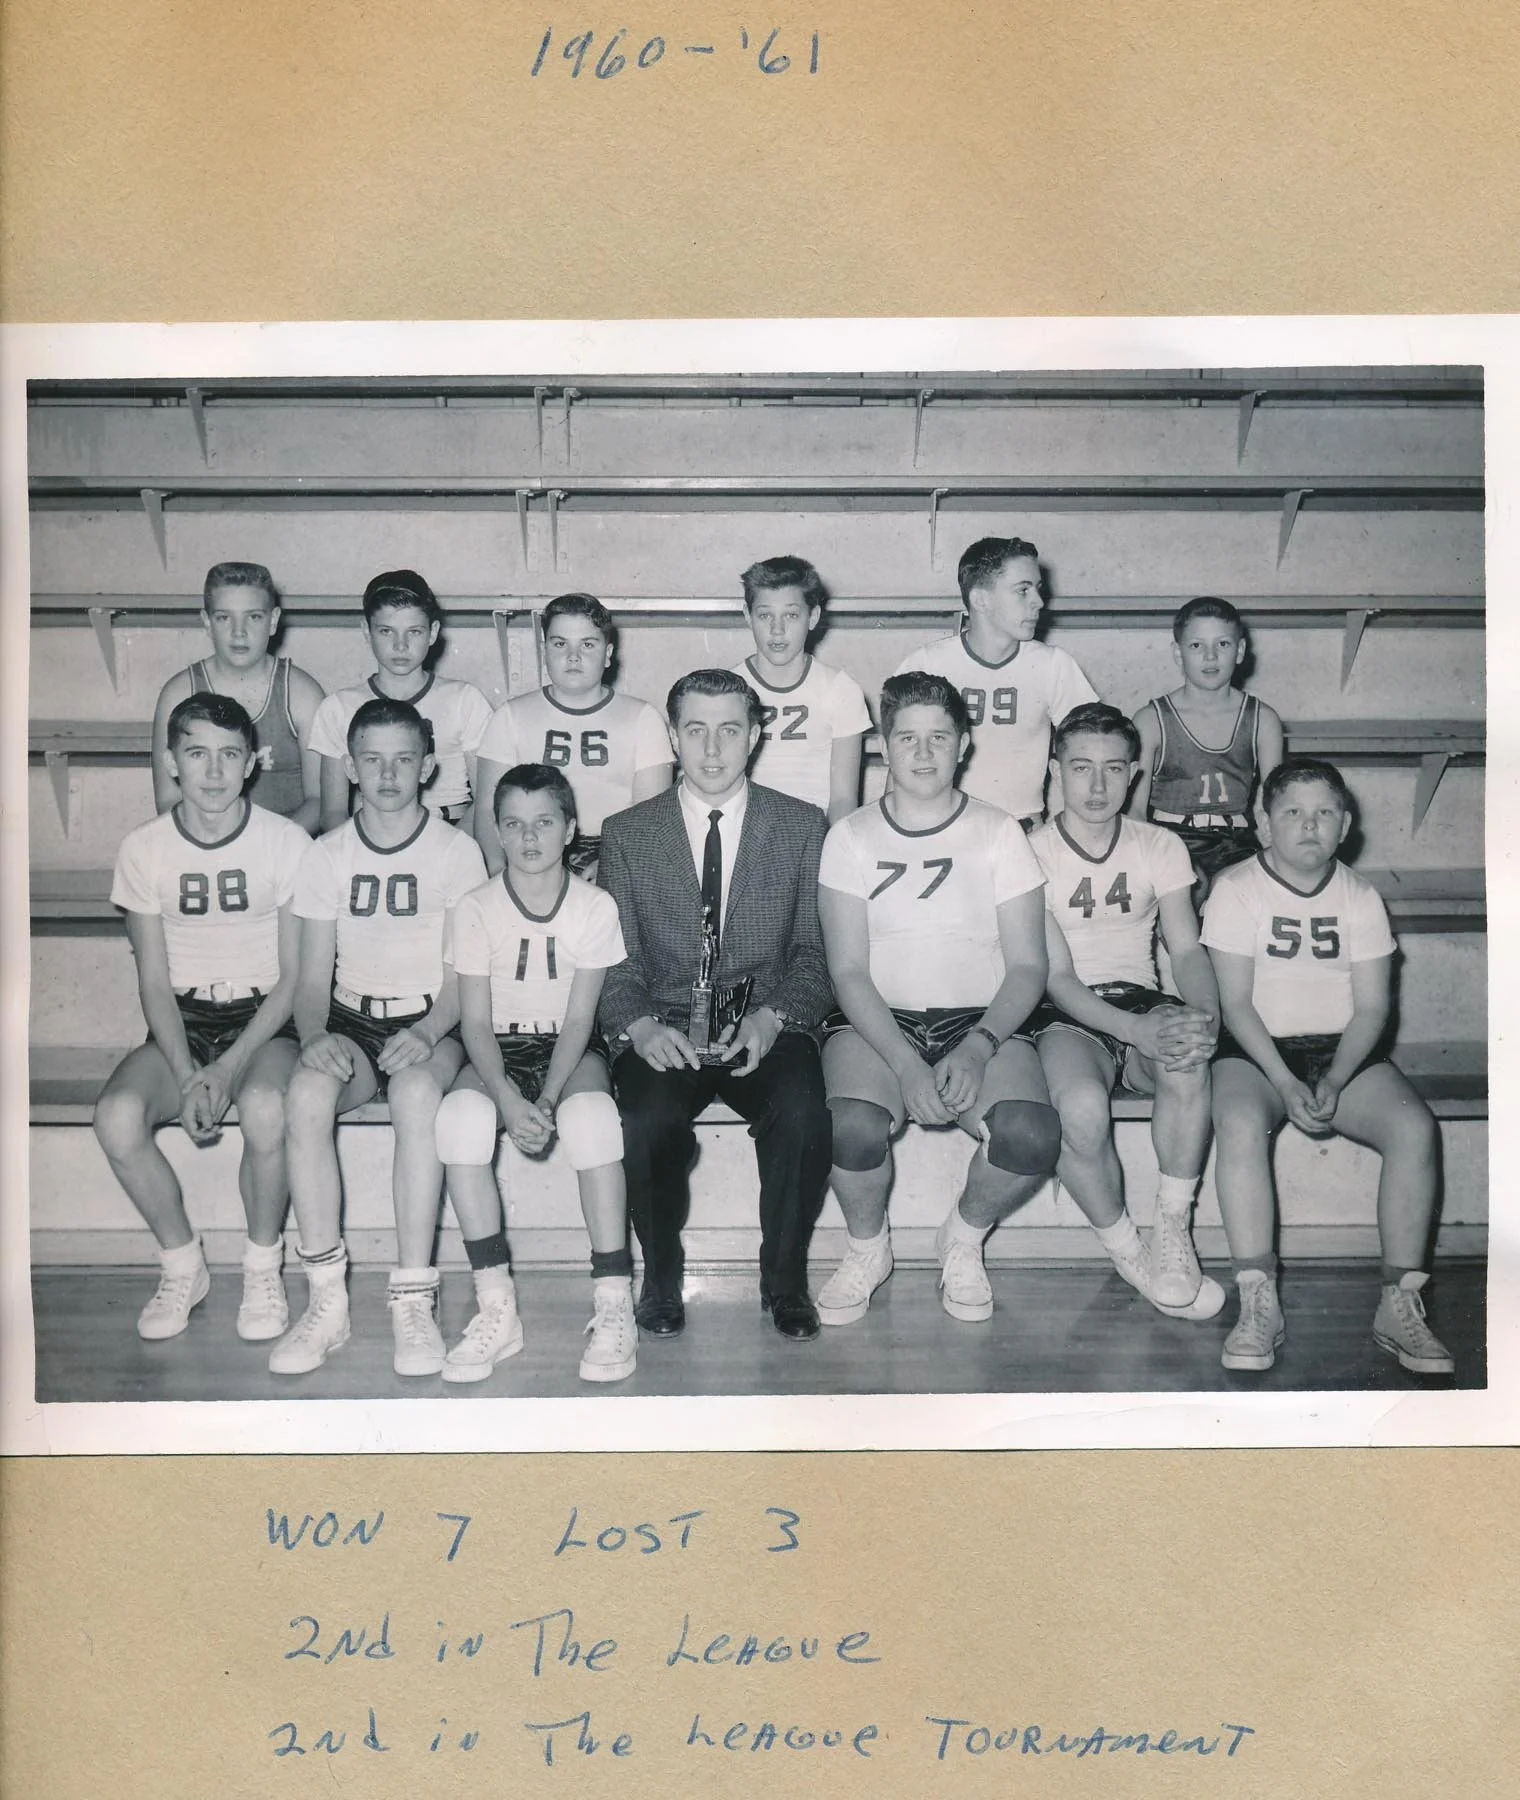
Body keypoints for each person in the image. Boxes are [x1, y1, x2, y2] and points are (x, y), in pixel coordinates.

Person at [814, 671, 1062, 1326]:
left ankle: (963, 1235)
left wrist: (980, 1049)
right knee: (850, 1129)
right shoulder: (852, 837)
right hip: (877, 1024)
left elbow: (1029, 964)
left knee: (1031, 1135)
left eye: (939, 738)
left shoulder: (998, 832)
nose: (923, 754)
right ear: (883, 749)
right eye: (907, 738)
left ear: (965, 744)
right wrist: (903, 1064)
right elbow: (847, 970)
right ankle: (868, 1249)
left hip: (978, 1021)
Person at [596, 668, 835, 1340]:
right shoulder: (627, 832)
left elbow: (815, 955)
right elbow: (614, 956)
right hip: (665, 1022)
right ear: (672, 736)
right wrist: (637, 1024)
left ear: (755, 735)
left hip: (766, 1021)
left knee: (803, 1114)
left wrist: (774, 1016)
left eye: (729, 729)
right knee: (645, 1119)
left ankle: (785, 1279)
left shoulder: (800, 825)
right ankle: (663, 1275)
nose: (711, 748)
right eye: (695, 729)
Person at [1202, 758, 1453, 1375]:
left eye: (1323, 813)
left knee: (1414, 1129)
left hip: (1340, 1049)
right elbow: (1233, 1003)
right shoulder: (1236, 889)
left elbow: (1372, 1008)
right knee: (1238, 1123)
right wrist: (1287, 1083)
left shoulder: (1361, 897)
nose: (1308, 826)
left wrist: (1335, 1078)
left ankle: (1399, 1299)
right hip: (1257, 1050)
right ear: (1265, 823)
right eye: (1292, 812)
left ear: (1345, 826)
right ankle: (1259, 1295)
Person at [269, 698, 487, 1377]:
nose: (387, 774)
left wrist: (426, 1030)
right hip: (353, 1021)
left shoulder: (458, 850)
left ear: (427, 767)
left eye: (402, 759)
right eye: (372, 760)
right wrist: (312, 1036)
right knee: (305, 1094)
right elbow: (309, 980)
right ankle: (326, 1300)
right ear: (352, 768)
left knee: (418, 1097)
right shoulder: (325, 854)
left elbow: (466, 977)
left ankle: (413, 1295)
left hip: (433, 1018)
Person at [95, 693, 310, 1341]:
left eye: (228, 756)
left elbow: (297, 978)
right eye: (196, 754)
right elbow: (153, 979)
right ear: (171, 762)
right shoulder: (144, 848)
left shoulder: (285, 842)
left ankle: (263, 1265)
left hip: (266, 1017)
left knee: (269, 1107)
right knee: (116, 1116)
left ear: (253, 764)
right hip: (183, 1018)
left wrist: (228, 1068)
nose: (213, 772)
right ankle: (183, 1263)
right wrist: (192, 1073)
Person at [435, 764, 637, 1384]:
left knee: (595, 1120)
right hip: (497, 1048)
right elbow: (473, 1023)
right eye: (514, 825)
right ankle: (497, 1306)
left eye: (544, 822)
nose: (529, 838)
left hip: (568, 1051)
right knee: (461, 1119)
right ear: (495, 831)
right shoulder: (474, 907)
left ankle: (613, 1300)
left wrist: (545, 1099)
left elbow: (580, 1020)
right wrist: (505, 1097)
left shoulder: (595, 906)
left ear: (571, 829)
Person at [1025, 703, 1226, 1319]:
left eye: (1114, 769)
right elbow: (1057, 977)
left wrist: (1203, 1018)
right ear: (1055, 769)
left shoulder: (1157, 844)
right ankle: (1123, 1244)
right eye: (1081, 767)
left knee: (1187, 1060)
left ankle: (1173, 1225)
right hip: (1065, 1010)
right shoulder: (1029, 850)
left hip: (1140, 994)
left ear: (1134, 775)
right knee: (1080, 1108)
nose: (1096, 785)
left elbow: (1186, 947)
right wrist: (1137, 1030)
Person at [891, 536, 1096, 825]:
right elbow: (899, 766)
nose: (1039, 602)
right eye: (1022, 590)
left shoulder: (1054, 665)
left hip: (1023, 829)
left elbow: (1093, 752)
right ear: (980, 600)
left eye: (1037, 589)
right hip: (942, 829)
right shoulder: (926, 663)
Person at [474, 592, 672, 879]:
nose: (573, 656)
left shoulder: (643, 717)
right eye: (560, 643)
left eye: (588, 644)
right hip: (530, 850)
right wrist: (500, 871)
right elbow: (487, 808)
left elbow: (652, 818)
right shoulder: (510, 716)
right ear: (544, 651)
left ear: (607, 654)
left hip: (616, 852)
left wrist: (613, 865)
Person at [306, 569, 494, 833]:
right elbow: (334, 812)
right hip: (371, 835)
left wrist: (448, 849)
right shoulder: (338, 707)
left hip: (452, 829)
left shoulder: (464, 700)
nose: (400, 645)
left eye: (414, 632)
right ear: (366, 631)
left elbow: (486, 802)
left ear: (432, 632)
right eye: (386, 631)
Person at [150, 561, 324, 831]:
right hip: (207, 847)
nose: (239, 632)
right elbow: (168, 800)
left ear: (273, 621)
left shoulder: (302, 694)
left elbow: (319, 800)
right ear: (207, 623)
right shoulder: (178, 693)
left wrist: (268, 850)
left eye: (253, 617)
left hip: (284, 852)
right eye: (224, 618)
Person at [1130, 597, 1284, 898]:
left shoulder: (1263, 720)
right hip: (1169, 839)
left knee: (1251, 890)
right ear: (1178, 653)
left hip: (1236, 842)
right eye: (1196, 646)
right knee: (1193, 885)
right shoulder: (1151, 720)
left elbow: (1272, 803)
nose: (1210, 656)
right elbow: (1135, 811)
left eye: (1223, 645)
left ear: (1239, 651)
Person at [729, 554, 870, 822]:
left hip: (812, 835)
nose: (777, 630)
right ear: (748, 616)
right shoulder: (728, 690)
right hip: (745, 835)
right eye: (765, 615)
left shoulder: (840, 689)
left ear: (813, 616)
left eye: (791, 615)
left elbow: (843, 799)